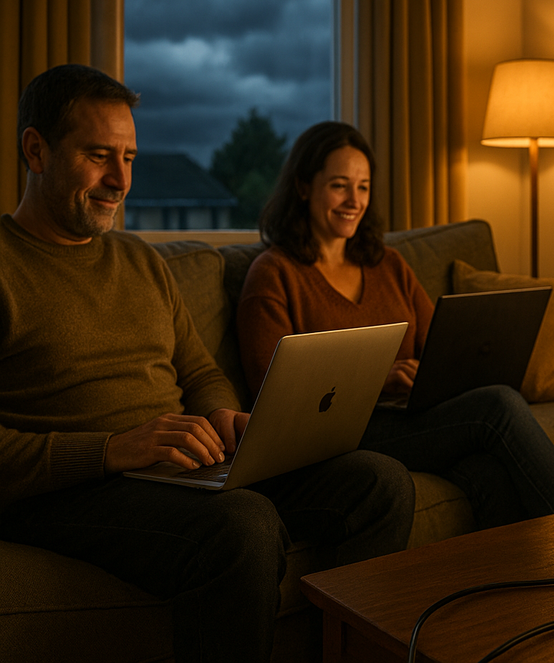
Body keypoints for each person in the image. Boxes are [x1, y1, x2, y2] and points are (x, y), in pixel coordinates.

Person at [0, 65, 415, 663]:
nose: (120, 180)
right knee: (243, 523)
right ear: (35, 150)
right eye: (98, 156)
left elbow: (198, 371)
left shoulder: (140, 261)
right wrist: (113, 449)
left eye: (131, 158)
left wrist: (225, 414)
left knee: (378, 481)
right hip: (71, 490)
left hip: (179, 468)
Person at [236, 121, 554, 532]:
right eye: (339, 185)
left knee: (487, 471)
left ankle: (512, 588)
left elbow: (439, 344)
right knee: (498, 405)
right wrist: (377, 379)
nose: (354, 200)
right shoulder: (274, 275)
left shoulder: (387, 263)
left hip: (409, 416)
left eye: (364, 186)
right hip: (343, 437)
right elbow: (274, 399)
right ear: (303, 186)